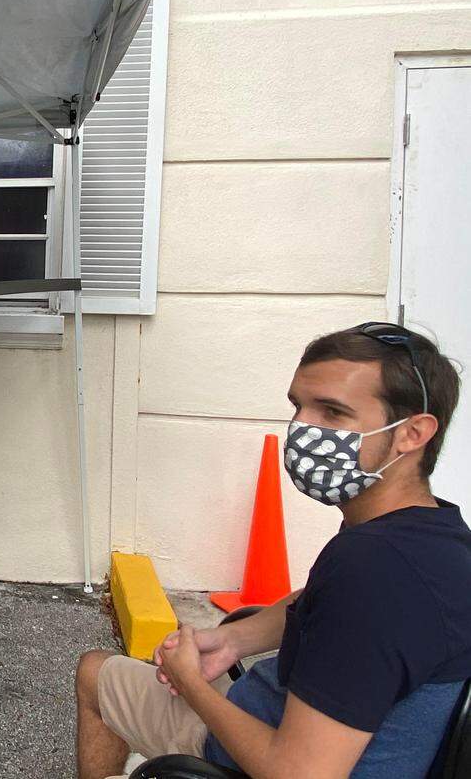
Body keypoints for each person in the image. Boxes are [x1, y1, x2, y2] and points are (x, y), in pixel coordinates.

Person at [75, 322, 471, 779]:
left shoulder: (371, 573)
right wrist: (234, 639)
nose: (303, 428)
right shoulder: (434, 535)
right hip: (292, 721)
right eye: (299, 406)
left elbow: (299, 773)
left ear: (412, 434)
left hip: (248, 755)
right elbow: (323, 604)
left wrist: (190, 683)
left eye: (332, 413)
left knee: (95, 672)